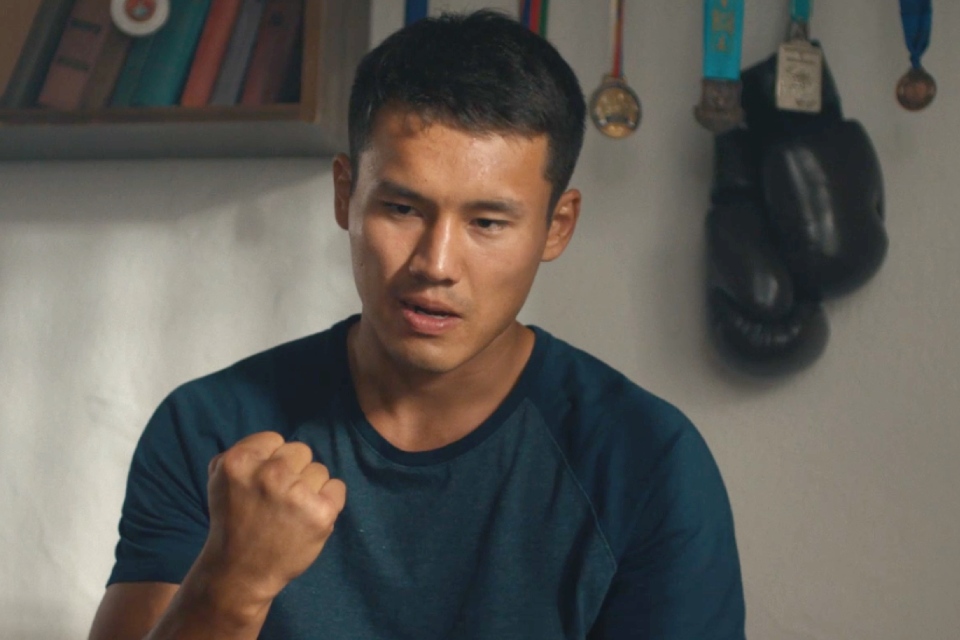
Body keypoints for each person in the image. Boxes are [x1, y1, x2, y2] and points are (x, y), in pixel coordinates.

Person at [89, 10, 745, 640]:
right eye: (402, 208)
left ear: (557, 226)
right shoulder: (211, 431)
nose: (436, 264)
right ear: (346, 194)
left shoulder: (644, 460)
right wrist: (231, 588)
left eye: (487, 223)